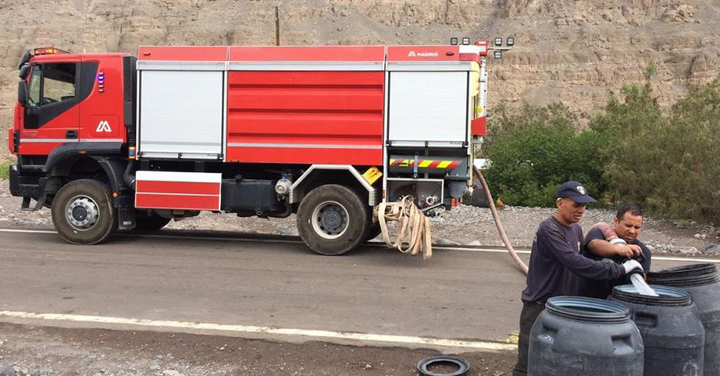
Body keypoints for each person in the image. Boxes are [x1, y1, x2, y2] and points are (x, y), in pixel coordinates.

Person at [512, 181, 644, 376]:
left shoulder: (575, 229)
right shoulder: (549, 229)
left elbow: (584, 258)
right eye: (576, 204)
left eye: (584, 205)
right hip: (540, 306)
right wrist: (620, 270)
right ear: (560, 204)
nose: (581, 209)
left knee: (554, 364)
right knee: (529, 365)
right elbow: (576, 263)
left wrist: (614, 255)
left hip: (563, 307)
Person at [578, 204, 651, 299]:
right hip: (587, 298)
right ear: (616, 221)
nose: (632, 231)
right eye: (628, 225)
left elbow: (642, 279)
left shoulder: (642, 252)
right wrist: (620, 249)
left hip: (618, 303)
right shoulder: (599, 233)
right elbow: (594, 245)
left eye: (637, 227)